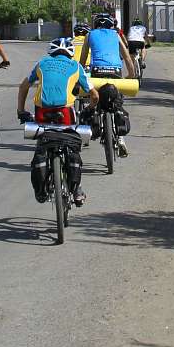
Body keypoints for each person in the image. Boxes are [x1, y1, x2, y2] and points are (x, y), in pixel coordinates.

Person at [17, 37, 98, 206]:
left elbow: (23, 86)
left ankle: (42, 186)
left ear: (51, 51)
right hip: (65, 112)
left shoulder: (41, 63)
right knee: (73, 145)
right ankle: (77, 189)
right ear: (70, 53)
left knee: (43, 142)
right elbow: (94, 95)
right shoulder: (76, 66)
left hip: (42, 113)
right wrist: (90, 108)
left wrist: (21, 110)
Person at [79, 13, 136, 156]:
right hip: (115, 72)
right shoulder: (116, 35)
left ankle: (96, 119)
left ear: (95, 25)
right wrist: (130, 76)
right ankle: (121, 138)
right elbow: (128, 57)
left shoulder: (89, 35)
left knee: (96, 99)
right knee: (117, 102)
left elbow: (82, 60)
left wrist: (79, 76)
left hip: (97, 72)